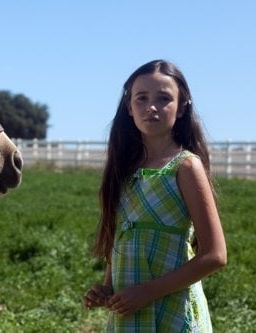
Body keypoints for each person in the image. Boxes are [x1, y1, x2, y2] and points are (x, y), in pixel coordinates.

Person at [83, 60, 227, 332]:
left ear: (182, 106)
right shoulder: (123, 170)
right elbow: (121, 237)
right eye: (142, 98)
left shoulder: (185, 167)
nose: (151, 107)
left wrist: (146, 292)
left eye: (164, 98)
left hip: (172, 311)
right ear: (129, 107)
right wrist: (107, 286)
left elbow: (215, 255)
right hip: (130, 316)